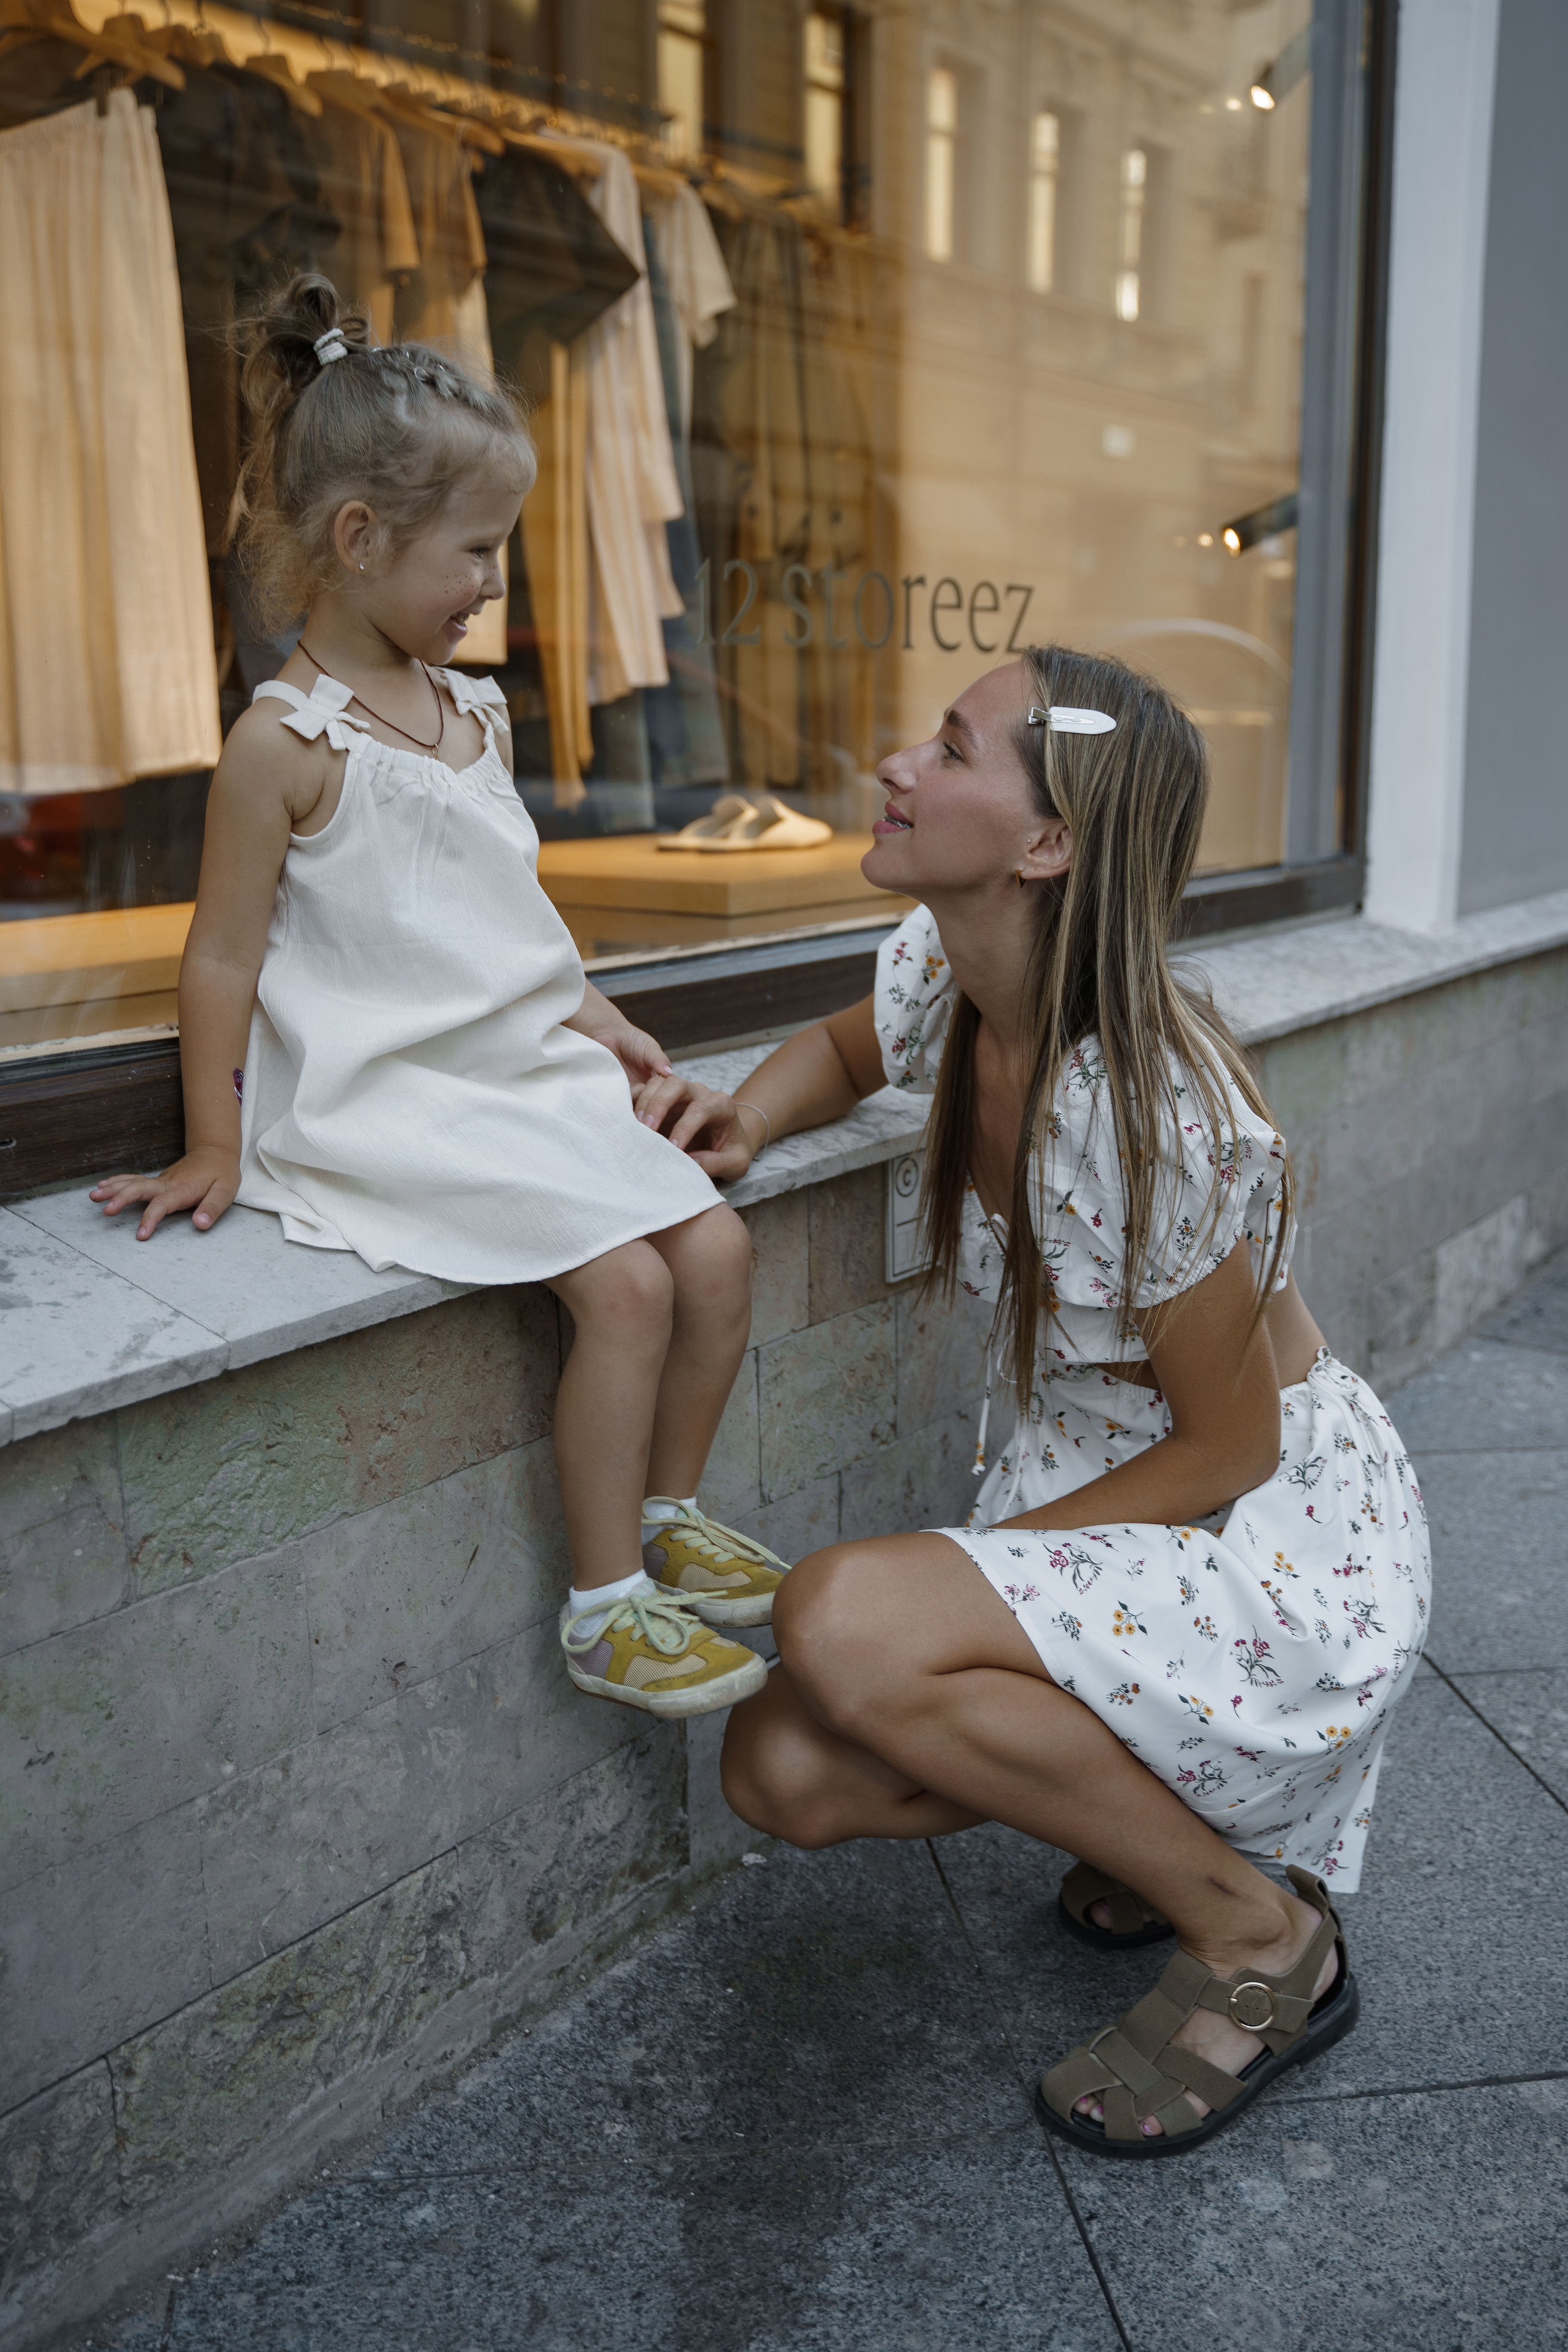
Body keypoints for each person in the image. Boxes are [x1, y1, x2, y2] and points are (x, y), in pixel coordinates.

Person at [636, 645, 1431, 2157]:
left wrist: (1002, 1574)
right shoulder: (961, 977)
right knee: (780, 1772)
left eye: (945, 747)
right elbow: (843, 1044)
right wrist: (748, 1109)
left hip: (1261, 1528)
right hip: (1125, 1480)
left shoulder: (1149, 1109)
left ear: (1045, 844)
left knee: (844, 1618)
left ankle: (1254, 1929)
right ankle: (1175, 1822)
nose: (894, 764)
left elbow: (1230, 1441)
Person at [89, 273, 788, 1719]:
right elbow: (220, 957)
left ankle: (664, 1516)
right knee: (631, 1284)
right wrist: (213, 1138)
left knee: (716, 1253)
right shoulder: (280, 743)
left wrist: (593, 1015)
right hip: (391, 1095)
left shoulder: (474, 710)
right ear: (358, 540)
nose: (491, 583)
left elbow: (494, 911)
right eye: (475, 552)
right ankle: (605, 1610)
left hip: (512, 1066)